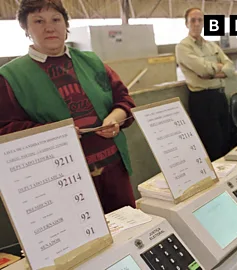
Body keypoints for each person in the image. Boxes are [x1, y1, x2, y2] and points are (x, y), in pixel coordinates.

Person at [0, 0, 136, 214]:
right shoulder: (10, 77)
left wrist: (115, 118)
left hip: (113, 170)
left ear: (66, 25)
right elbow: (5, 128)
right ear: (26, 29)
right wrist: (54, 134)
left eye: (56, 19)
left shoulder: (92, 62)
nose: (49, 27)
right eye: (38, 21)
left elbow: (124, 99)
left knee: (130, 229)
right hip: (61, 180)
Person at [175, 8, 235, 161]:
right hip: (202, 100)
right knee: (211, 145)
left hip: (220, 98)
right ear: (186, 24)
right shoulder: (183, 47)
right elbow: (202, 70)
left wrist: (213, 71)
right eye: (192, 20)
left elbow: (231, 68)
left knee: (226, 141)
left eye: (200, 20)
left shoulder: (212, 46)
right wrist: (218, 68)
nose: (196, 23)